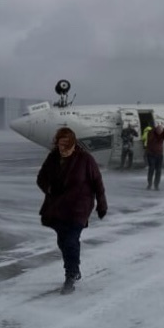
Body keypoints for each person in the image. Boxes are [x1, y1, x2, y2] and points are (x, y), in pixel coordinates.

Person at [37, 126, 107, 294]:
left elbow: (97, 182)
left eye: (66, 146)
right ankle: (74, 267)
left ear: (73, 144)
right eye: (60, 145)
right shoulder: (53, 158)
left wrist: (101, 204)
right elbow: (41, 178)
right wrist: (49, 189)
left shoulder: (85, 159)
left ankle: (70, 275)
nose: (63, 150)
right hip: (58, 207)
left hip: (79, 206)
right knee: (63, 242)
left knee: (70, 240)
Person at [144, 122, 164, 190]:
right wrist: (154, 131)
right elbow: (149, 139)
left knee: (158, 171)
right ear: (156, 129)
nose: (160, 133)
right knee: (151, 169)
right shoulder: (151, 132)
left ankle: (156, 185)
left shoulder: (162, 133)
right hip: (151, 154)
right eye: (159, 131)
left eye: (161, 131)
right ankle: (149, 184)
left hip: (159, 155)